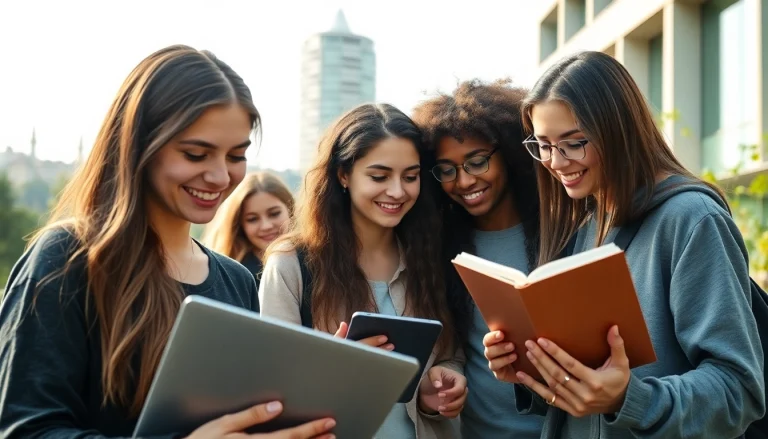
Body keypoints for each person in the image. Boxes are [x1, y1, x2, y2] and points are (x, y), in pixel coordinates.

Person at [0, 45, 336, 439]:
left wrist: (317, 389)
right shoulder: (69, 257)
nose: (219, 176)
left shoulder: (236, 280)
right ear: (139, 144)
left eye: (236, 156)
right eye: (196, 154)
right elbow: (26, 430)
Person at [483, 50, 765, 438]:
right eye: (544, 144)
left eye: (574, 142)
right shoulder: (588, 220)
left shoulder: (692, 219)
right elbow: (591, 381)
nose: (556, 162)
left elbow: (739, 390)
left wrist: (629, 400)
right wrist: (530, 366)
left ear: (619, 130)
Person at [259, 103, 467, 439]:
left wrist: (439, 387)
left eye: (410, 177)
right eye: (379, 176)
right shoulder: (291, 264)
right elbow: (272, 391)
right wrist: (337, 371)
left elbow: (450, 354)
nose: (398, 191)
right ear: (343, 174)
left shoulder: (429, 258)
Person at [411, 79, 544, 439]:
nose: (464, 181)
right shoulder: (439, 249)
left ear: (511, 153)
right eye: (447, 170)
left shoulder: (560, 232)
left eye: (477, 161)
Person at [202, 171, 294, 299]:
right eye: (252, 219)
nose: (266, 226)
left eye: (274, 214)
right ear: (239, 225)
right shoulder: (230, 277)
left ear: (291, 210)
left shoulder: (315, 261)